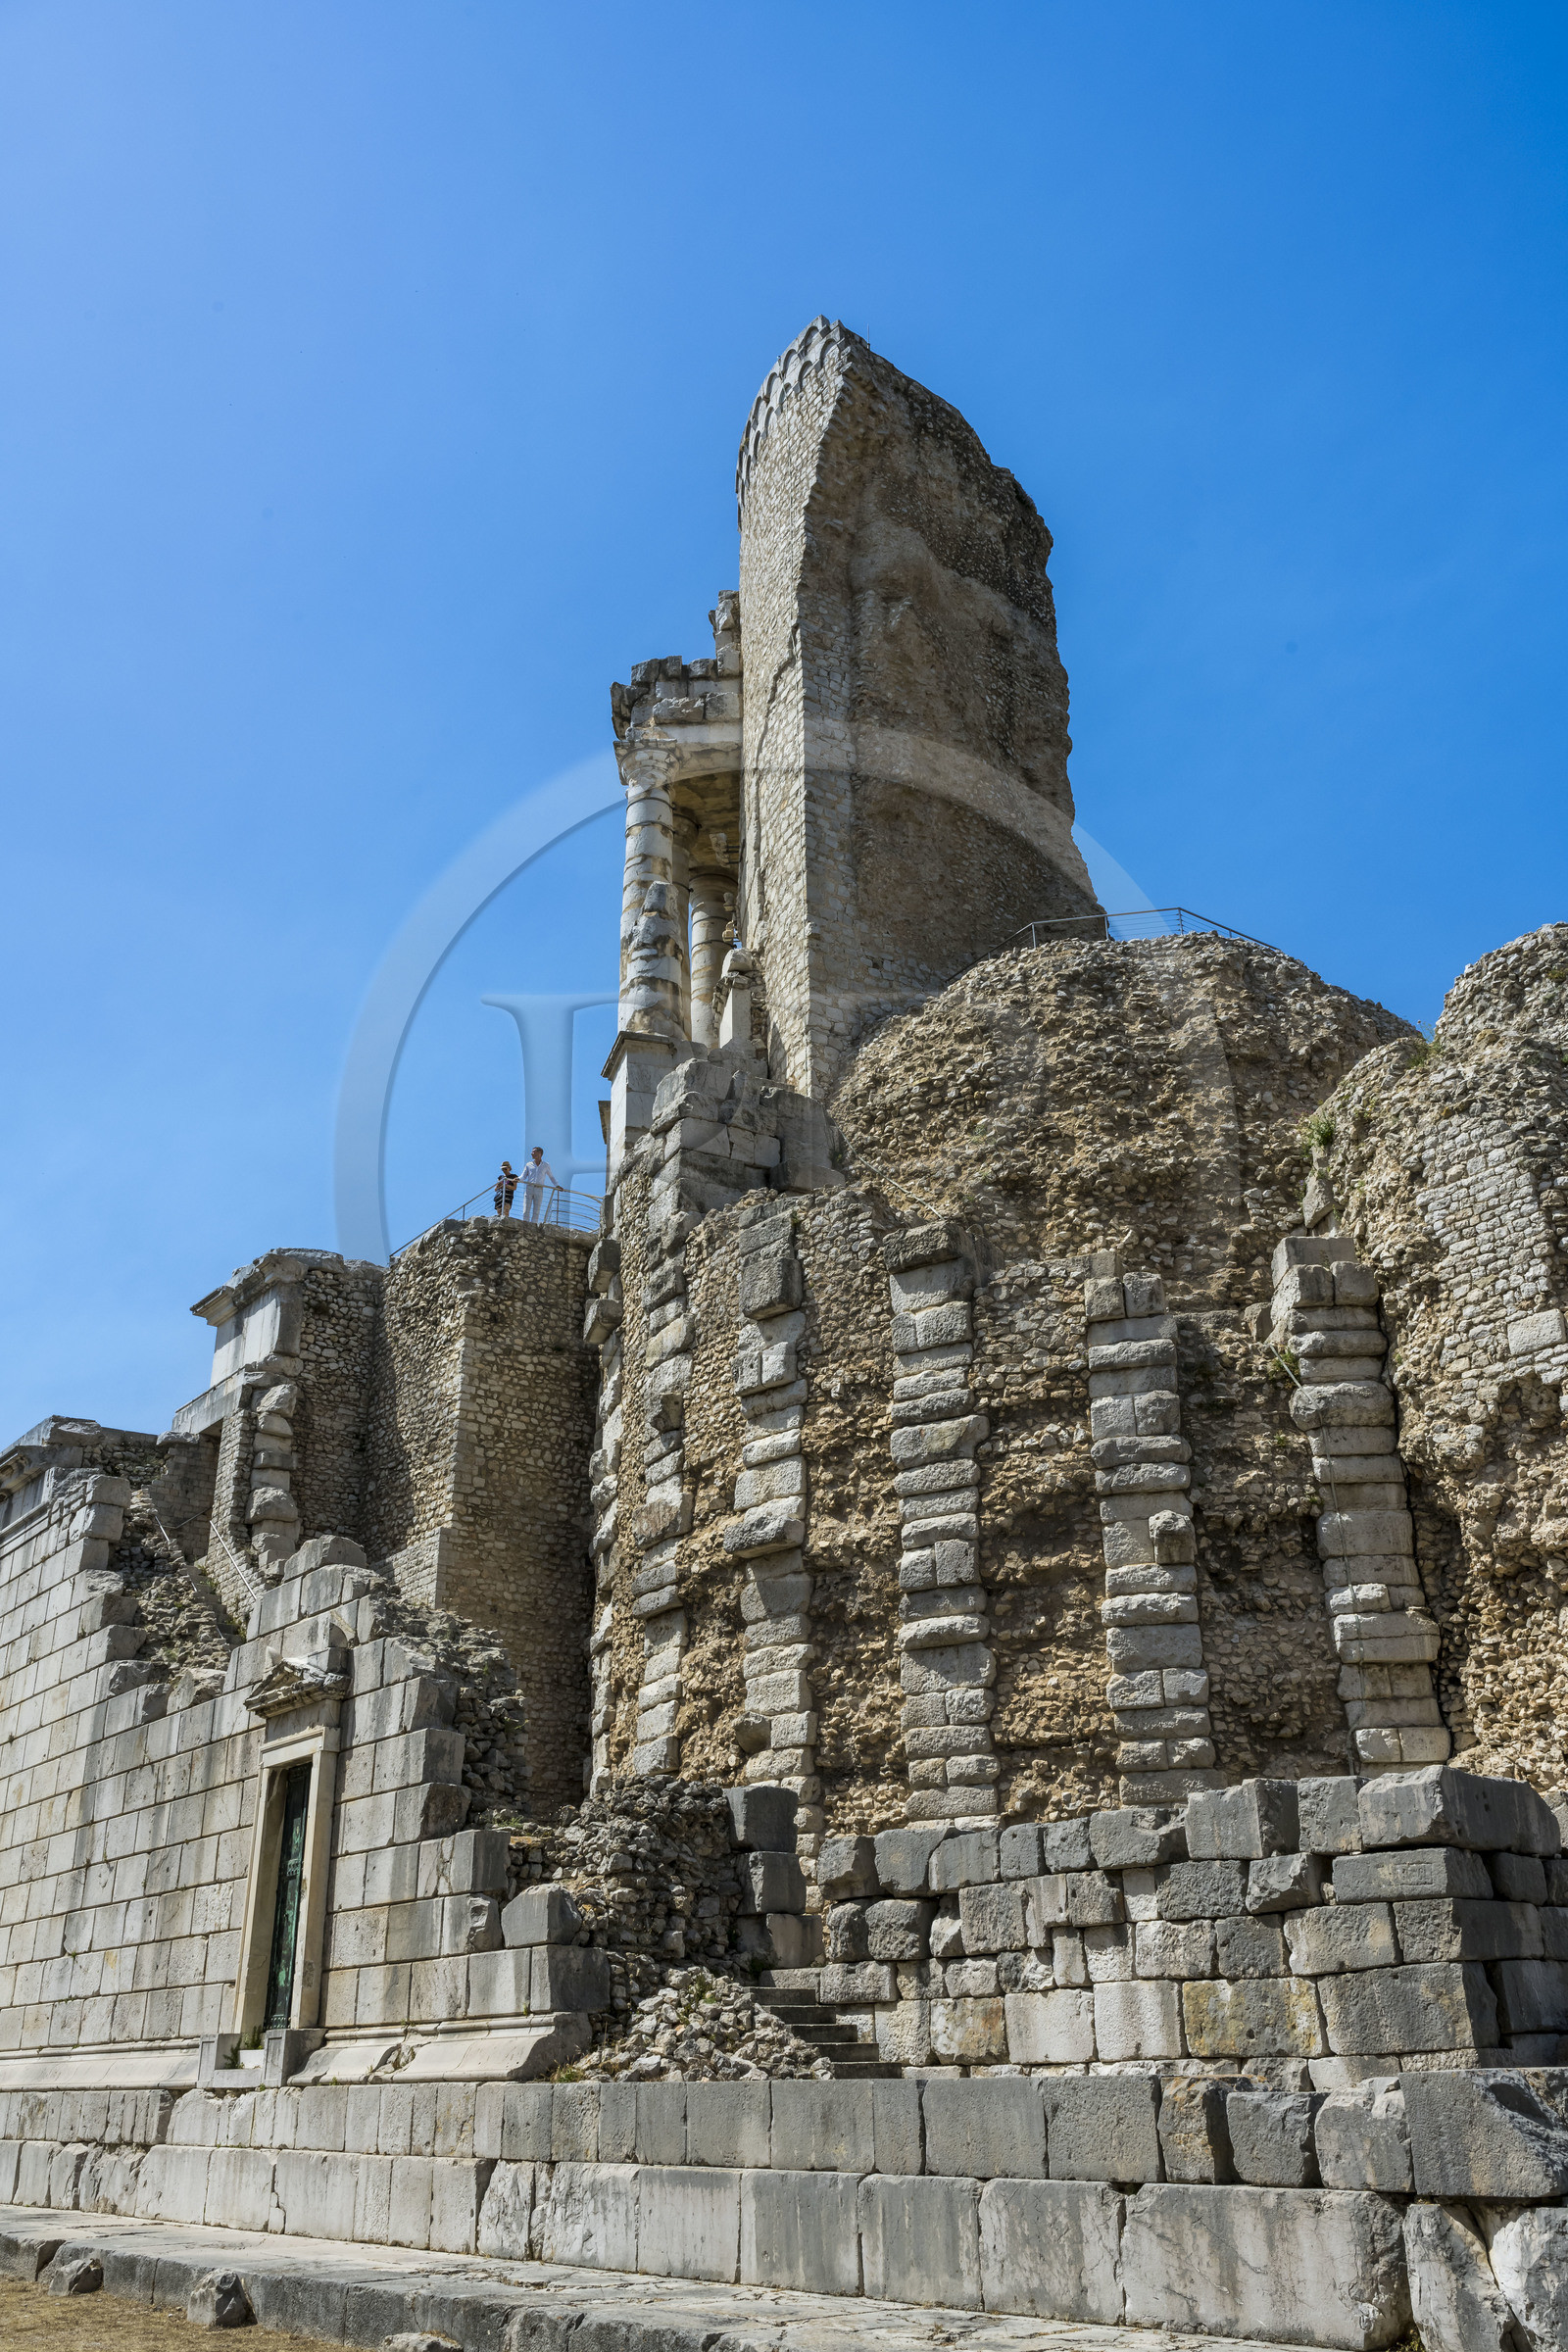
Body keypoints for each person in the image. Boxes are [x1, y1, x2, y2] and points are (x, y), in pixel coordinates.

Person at [521, 1146, 558, 1222]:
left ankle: (533, 1226)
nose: (531, 1153)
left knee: (536, 1211)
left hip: (539, 1189)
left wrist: (557, 1185)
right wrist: (517, 1179)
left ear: (539, 1153)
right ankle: (524, 1225)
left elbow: (551, 1177)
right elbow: (523, 1176)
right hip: (529, 1188)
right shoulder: (528, 1164)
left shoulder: (546, 1165)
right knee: (526, 1209)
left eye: (533, 1152)